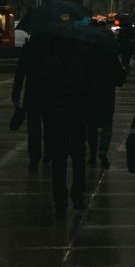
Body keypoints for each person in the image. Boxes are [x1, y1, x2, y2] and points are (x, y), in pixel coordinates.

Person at [34, 31, 91, 217]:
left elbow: (41, 89)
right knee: (78, 156)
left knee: (59, 161)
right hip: (77, 114)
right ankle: (77, 196)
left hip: (56, 116)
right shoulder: (81, 58)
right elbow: (88, 87)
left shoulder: (48, 59)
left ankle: (60, 202)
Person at [87, 34, 126, 168]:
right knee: (107, 124)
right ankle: (103, 150)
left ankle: (92, 153)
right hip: (107, 94)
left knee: (91, 126)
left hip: (91, 95)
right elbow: (120, 77)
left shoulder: (88, 55)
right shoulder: (110, 56)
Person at [11, 33, 47, 171]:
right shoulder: (51, 48)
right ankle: (48, 152)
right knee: (49, 125)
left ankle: (34, 157)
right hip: (49, 93)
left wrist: (15, 94)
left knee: (33, 129)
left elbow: (20, 73)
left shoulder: (28, 49)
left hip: (32, 94)